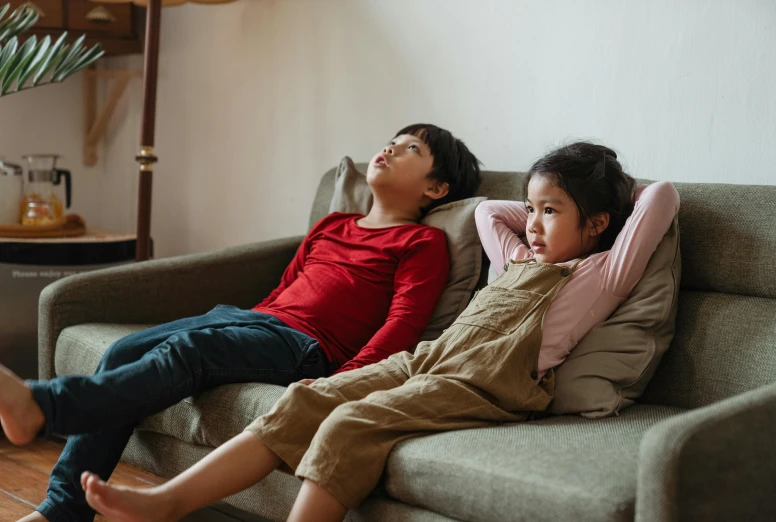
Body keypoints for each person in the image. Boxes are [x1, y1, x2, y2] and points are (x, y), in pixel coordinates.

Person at [81, 142, 679, 522]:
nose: (535, 223)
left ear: (599, 223)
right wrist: (539, 207)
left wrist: (612, 191)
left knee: (349, 423)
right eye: (533, 208)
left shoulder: (601, 273)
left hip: (486, 387)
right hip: (430, 358)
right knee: (306, 398)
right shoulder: (514, 256)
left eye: (553, 211)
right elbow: (484, 212)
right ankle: (167, 502)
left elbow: (661, 197)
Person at [0, 123, 482, 522]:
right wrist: (239, 321)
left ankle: (44, 405)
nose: (390, 148)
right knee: (124, 351)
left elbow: (402, 323)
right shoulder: (332, 227)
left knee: (189, 354)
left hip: (307, 346)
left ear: (435, 189)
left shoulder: (421, 244)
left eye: (410, 149)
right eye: (392, 141)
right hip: (254, 321)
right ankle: (62, 509)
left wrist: (339, 382)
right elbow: (282, 290)